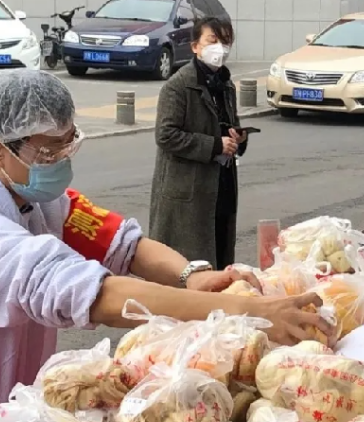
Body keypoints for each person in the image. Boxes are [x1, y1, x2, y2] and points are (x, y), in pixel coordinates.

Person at [0, 69, 334, 402]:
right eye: (48, 154)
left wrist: (191, 276)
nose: (60, 162)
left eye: (68, 146)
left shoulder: (46, 204)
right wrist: (244, 310)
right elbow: (92, 294)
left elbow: (125, 244)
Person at [151, 17, 246, 271]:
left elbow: (230, 124)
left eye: (225, 42)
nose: (220, 48)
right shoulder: (178, 86)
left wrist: (238, 138)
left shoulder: (225, 84)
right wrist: (215, 145)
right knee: (187, 267)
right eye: (212, 41)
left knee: (220, 258)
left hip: (221, 185)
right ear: (195, 46)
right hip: (188, 191)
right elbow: (166, 135)